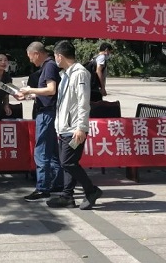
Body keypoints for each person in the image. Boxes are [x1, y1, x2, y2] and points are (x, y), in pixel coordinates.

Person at [46, 40, 104, 210]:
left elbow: (83, 102)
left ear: (60, 56)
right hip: (64, 127)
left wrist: (81, 127)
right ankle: (67, 196)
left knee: (67, 163)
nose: (55, 59)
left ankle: (91, 190)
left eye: (55, 56)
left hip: (74, 129)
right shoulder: (66, 74)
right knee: (67, 164)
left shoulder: (80, 73)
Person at [19, 42, 63, 201]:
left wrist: (30, 89)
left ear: (36, 53)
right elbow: (46, 92)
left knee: (42, 151)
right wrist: (31, 95)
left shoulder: (49, 66)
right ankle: (58, 183)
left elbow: (51, 90)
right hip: (50, 112)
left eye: (30, 57)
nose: (30, 60)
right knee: (52, 151)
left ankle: (42, 188)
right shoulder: (49, 65)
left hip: (46, 114)